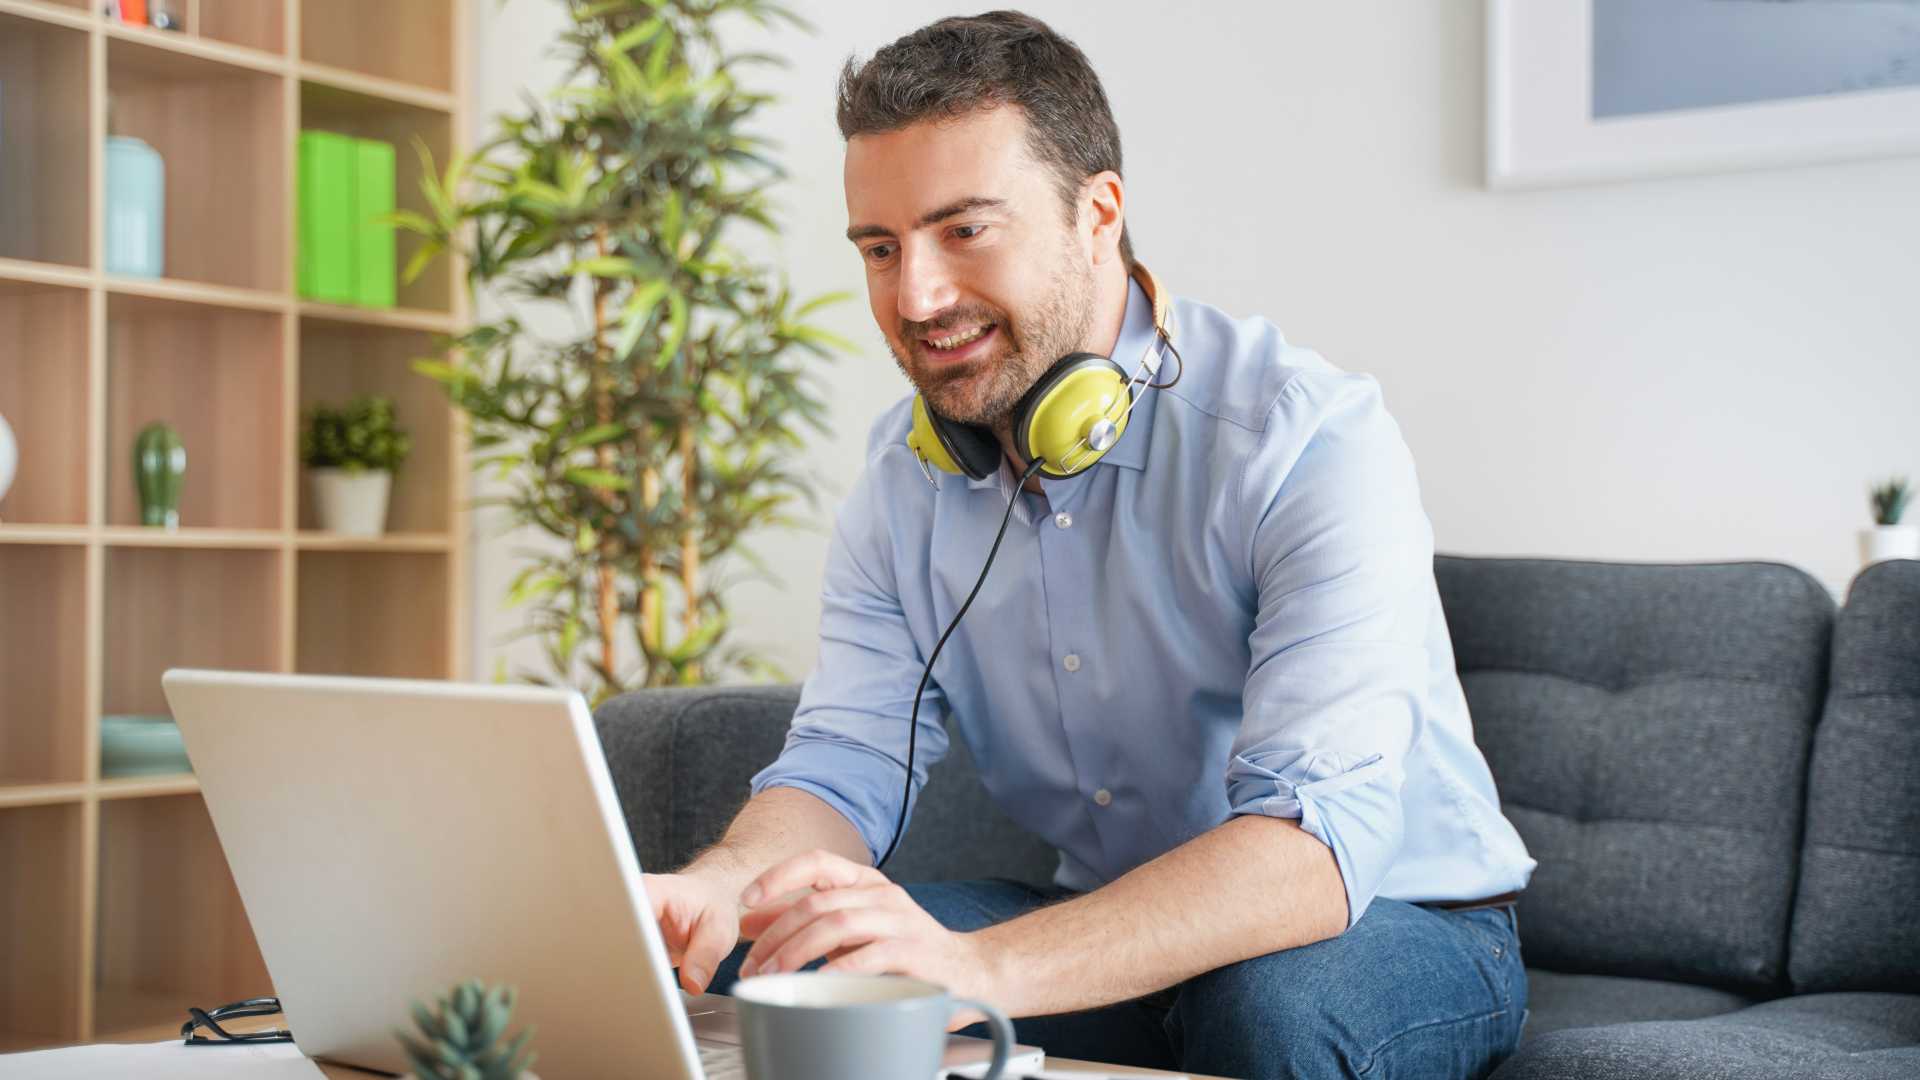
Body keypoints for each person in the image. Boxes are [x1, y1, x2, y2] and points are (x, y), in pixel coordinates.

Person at [644, 11, 1537, 1078]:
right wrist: (721, 886)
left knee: (1269, 1014)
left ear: (1098, 213)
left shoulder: (1304, 436)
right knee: (779, 960)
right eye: (881, 249)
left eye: (964, 231)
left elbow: (1315, 847)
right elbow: (845, 761)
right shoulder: (902, 478)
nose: (915, 296)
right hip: (1108, 918)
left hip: (1393, 919)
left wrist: (979, 970)